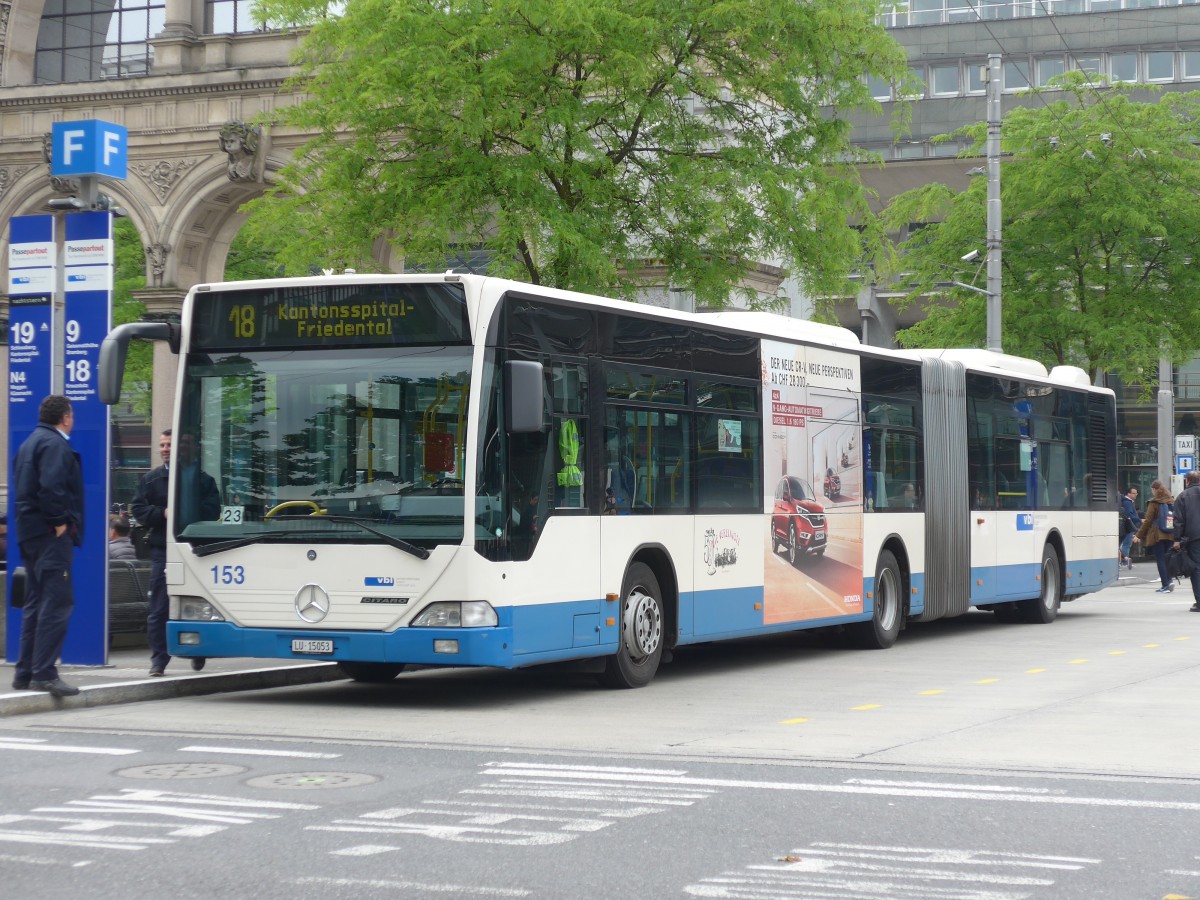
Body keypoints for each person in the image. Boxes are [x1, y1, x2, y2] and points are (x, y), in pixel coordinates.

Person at [10, 395, 83, 697]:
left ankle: (25, 672)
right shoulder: (55, 444)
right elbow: (51, 487)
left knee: (35, 603)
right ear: (65, 417)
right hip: (50, 535)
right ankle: (44, 673)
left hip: (29, 533)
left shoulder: (29, 443)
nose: (73, 420)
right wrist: (59, 521)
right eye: (72, 415)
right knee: (57, 603)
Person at [132, 429, 218, 677]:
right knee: (159, 608)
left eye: (170, 444)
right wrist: (163, 514)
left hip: (196, 550)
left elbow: (213, 510)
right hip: (163, 551)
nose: (165, 449)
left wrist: (187, 511)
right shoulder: (151, 480)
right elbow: (138, 509)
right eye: (162, 445)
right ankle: (158, 661)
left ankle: (198, 651)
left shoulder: (203, 480)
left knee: (199, 604)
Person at [1134, 479, 1176, 594]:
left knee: (1160, 559)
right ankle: (1170, 580)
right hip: (1170, 534)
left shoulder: (1154, 502)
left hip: (1158, 535)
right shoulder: (1171, 500)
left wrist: (1138, 535)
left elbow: (1148, 521)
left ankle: (1165, 585)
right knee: (1168, 558)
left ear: (1154, 489)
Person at [1172, 470, 1200, 611]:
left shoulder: (1183, 496)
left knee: (1196, 569)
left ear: (1187, 481)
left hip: (1194, 538)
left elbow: (1178, 520)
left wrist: (1177, 539)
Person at [1119, 486, 1141, 570]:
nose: (1136, 495)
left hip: (1128, 525)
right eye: (1133, 493)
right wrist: (1139, 520)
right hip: (1128, 526)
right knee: (1126, 544)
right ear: (1128, 494)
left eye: (1136, 493)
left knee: (1127, 544)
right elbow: (1130, 514)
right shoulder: (1127, 502)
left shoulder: (1129, 502)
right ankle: (1125, 562)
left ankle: (1125, 561)